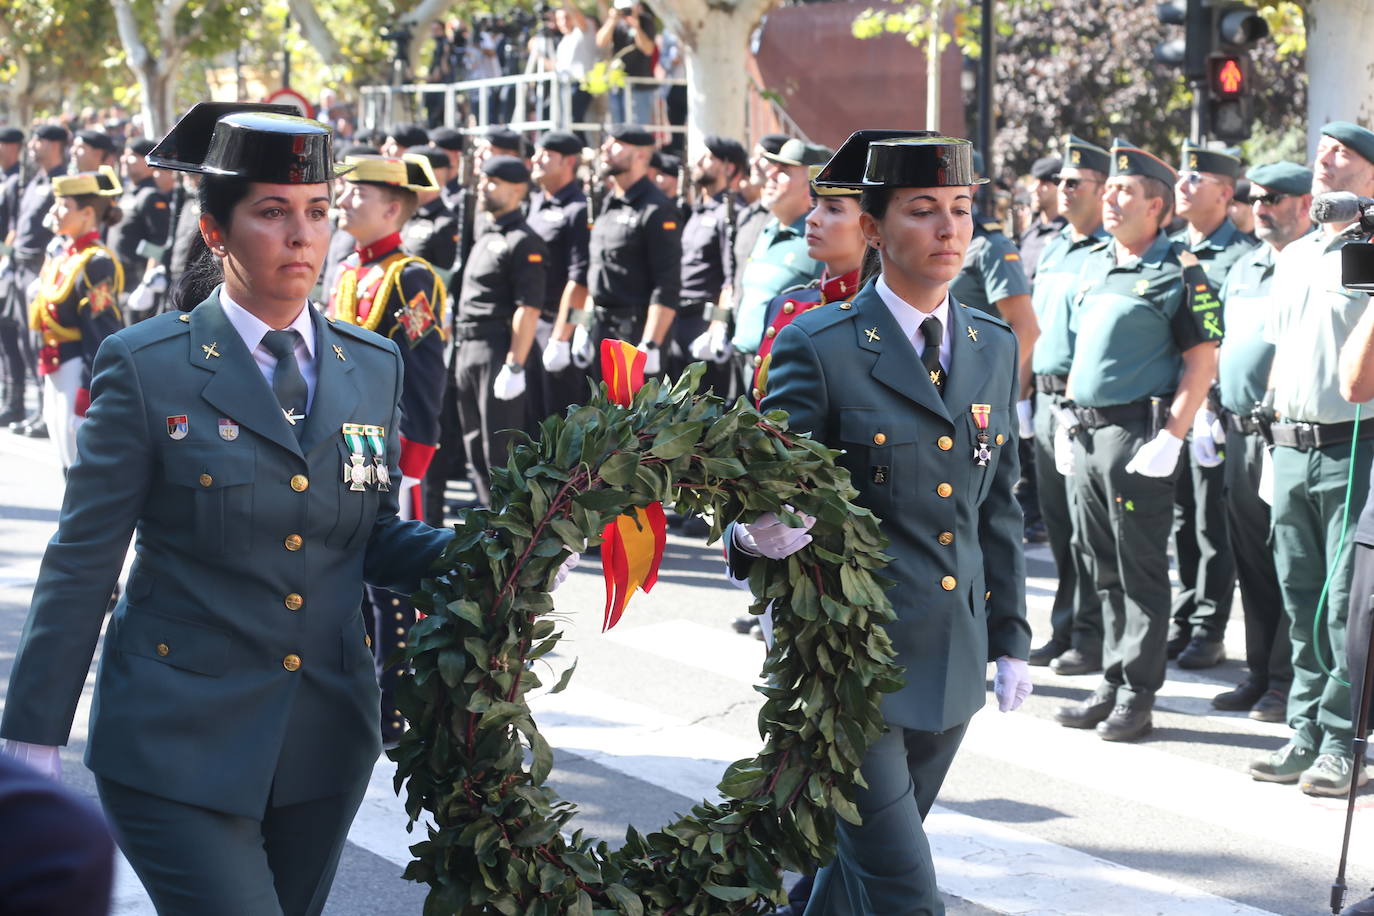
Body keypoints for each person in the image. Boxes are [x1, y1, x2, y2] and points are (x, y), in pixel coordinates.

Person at [0, 102, 458, 915]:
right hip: (176, 741)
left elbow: (369, 533)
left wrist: (514, 542)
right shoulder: (148, 368)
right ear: (216, 232)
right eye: (273, 213)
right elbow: (84, 558)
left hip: (322, 741)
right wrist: (33, 734)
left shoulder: (372, 364)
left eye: (318, 211)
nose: (303, 236)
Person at [730, 131, 1031, 916]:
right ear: (872, 230)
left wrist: (1010, 637)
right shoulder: (818, 347)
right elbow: (763, 490)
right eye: (923, 210)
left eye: (962, 210)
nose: (949, 230)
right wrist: (749, 537)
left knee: (844, 882)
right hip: (848, 671)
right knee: (904, 892)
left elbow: (995, 502)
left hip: (952, 659)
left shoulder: (991, 347)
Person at [1052, 139, 1221, 742]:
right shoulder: (1096, 262)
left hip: (1137, 433)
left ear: (1157, 206)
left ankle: (1138, 693)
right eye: (1112, 189)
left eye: (1126, 191)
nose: (1112, 198)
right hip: (1089, 431)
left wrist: (1174, 435)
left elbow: (1202, 361)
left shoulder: (1179, 268)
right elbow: (1080, 353)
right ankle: (1112, 676)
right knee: (1100, 562)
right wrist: (1067, 419)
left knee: (1140, 566)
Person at [1249, 121, 1374, 797]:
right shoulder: (1295, 254)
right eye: (1322, 151)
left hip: (1355, 446)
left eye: (1344, 154)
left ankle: (1343, 743)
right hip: (1291, 447)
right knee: (1298, 600)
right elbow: (1283, 356)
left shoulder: (1373, 249)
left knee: (1343, 607)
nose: (1324, 161)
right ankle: (1304, 730)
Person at [328, 153, 450, 743]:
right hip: (342, 440)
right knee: (347, 562)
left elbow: (424, 371)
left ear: (393, 207)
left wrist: (418, 450)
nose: (343, 200)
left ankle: (398, 702)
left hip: (390, 443)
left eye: (358, 194)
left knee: (392, 580)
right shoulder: (345, 268)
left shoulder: (411, 276)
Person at [1208, 161, 1313, 722]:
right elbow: (1226, 340)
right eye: (1258, 197)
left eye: (1275, 197)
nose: (1263, 206)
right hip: (1240, 431)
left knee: (1289, 561)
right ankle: (1259, 672)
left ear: (1304, 202)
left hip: (1288, 433)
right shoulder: (1245, 266)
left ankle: (1286, 679)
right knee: (1250, 559)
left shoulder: (1314, 263)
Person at [1025, 135, 1109, 676]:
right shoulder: (1054, 245)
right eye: (1060, 181)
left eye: (1074, 182)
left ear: (1103, 190)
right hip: (1044, 398)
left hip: (1083, 409)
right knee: (1058, 527)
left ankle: (1091, 635)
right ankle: (1065, 627)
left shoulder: (1108, 253)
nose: (1063, 189)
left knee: (1087, 531)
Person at [1166, 141, 1252, 670]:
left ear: (1223, 192)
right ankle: (1185, 613)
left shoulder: (1240, 256)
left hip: (1212, 410)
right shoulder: (1170, 247)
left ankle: (1209, 626)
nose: (1182, 186)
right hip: (1170, 406)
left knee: (1210, 523)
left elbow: (1227, 339)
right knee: (1179, 519)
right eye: (1180, 177)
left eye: (1194, 179)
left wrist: (1210, 406)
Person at [452, 155, 549, 506]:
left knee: (500, 450)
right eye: (483, 180)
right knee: (473, 445)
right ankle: (488, 520)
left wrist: (514, 364)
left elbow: (529, 306)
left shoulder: (524, 240)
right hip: (468, 345)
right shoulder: (484, 232)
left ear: (518, 189)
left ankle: (510, 528)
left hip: (497, 347)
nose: (483, 187)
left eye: (493, 182)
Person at [30, 165, 126, 469]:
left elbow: (102, 335)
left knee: (77, 463)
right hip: (55, 366)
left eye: (64, 206)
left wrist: (88, 392)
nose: (55, 211)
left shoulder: (96, 262)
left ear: (87, 213)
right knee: (63, 456)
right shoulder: (64, 255)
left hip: (75, 370)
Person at [570, 124, 680, 376]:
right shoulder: (609, 202)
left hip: (635, 330)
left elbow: (667, 283)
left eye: (617, 143)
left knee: (632, 414)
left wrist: (652, 343)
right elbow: (597, 271)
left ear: (641, 155)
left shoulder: (656, 208)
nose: (606, 148)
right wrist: (582, 326)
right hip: (601, 327)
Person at [8, 124, 71, 439]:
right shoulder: (33, 179)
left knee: (40, 340)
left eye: (39, 139)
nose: (32, 145)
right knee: (23, 338)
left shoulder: (63, 180)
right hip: (20, 266)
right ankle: (36, 409)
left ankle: (47, 413)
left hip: (42, 266)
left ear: (56, 144)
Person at [528, 130, 592, 422]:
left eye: (546, 154)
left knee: (558, 419)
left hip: (556, 323)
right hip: (530, 320)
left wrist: (561, 337)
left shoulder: (578, 209)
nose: (536, 159)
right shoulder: (534, 203)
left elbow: (579, 278)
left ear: (568, 161)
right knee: (531, 416)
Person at [108, 137, 173, 316]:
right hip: (120, 280)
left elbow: (158, 241)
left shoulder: (151, 196)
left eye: (131, 156)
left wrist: (147, 282)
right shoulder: (128, 193)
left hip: (137, 281)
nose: (123, 159)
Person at [596, 0, 657, 127]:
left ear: (637, 7)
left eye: (628, 9)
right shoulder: (615, 23)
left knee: (638, 128)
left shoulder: (645, 21)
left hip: (639, 85)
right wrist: (611, 20)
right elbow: (600, 42)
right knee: (618, 126)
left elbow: (648, 49)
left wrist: (636, 27)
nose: (625, 13)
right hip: (618, 85)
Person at [1018, 154, 1066, 282]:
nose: (1035, 189)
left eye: (1044, 182)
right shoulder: (1030, 233)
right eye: (1035, 181)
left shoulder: (1067, 233)